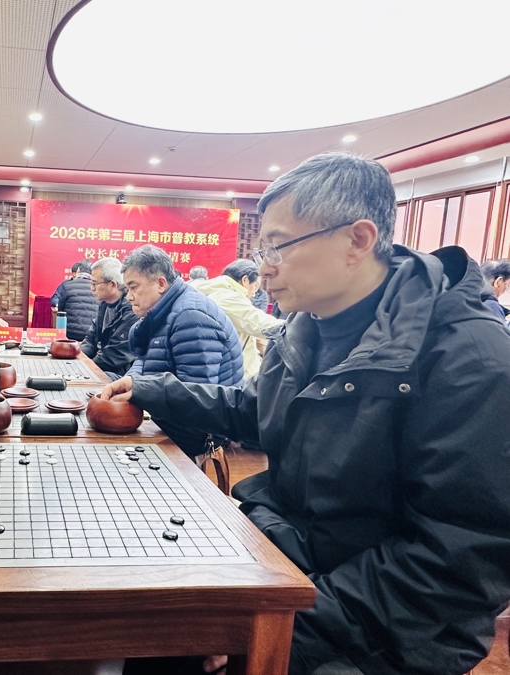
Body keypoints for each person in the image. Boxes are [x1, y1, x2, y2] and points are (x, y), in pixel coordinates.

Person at [105, 153, 510, 675]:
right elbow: (258, 410)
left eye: (279, 246)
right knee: (155, 621)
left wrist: (283, 624)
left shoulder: (469, 359)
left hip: (388, 628)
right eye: (261, 250)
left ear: (357, 240)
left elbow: (458, 560)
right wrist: (153, 389)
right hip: (291, 557)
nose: (263, 267)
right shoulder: (308, 324)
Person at [122, 244, 243, 456]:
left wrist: (140, 391)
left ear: (161, 283)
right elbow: (145, 358)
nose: (129, 297)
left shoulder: (190, 317)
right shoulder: (164, 310)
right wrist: (130, 383)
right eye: (127, 289)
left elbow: (197, 396)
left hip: (195, 432)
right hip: (170, 415)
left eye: (134, 287)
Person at [194, 259, 283, 379]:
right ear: (245, 280)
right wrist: (296, 326)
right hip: (234, 374)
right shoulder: (226, 298)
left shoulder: (215, 291)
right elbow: (261, 324)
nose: (254, 293)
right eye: (255, 286)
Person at [80, 257, 138, 378]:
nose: (92, 288)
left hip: (119, 374)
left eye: (95, 283)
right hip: (99, 366)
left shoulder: (132, 310)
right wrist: (79, 360)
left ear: (112, 285)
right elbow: (90, 339)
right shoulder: (104, 304)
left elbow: (116, 354)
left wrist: (86, 369)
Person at [56, 259, 100, 342]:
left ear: (78, 270)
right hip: (91, 333)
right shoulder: (97, 287)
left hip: (70, 334)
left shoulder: (67, 286)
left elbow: (60, 310)